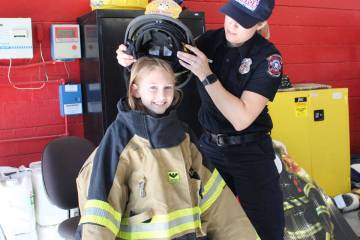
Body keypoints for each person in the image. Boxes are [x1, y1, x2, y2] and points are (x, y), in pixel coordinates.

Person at [117, 0, 285, 239]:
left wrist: (206, 74)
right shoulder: (207, 43)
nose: (232, 25)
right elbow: (160, 64)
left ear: (260, 23)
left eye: (243, 22)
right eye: (231, 16)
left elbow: (241, 118)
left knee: (265, 228)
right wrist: (130, 58)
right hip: (209, 150)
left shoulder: (268, 58)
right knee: (204, 222)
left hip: (250, 154)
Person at [75, 56, 257, 239]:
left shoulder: (183, 135)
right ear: (135, 90)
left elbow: (218, 204)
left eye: (167, 88)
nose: (162, 96)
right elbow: (100, 214)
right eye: (153, 88)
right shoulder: (119, 139)